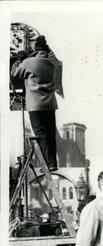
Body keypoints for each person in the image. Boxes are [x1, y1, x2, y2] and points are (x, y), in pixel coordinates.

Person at [11, 35, 59, 171]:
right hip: (50, 105)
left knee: (40, 134)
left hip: (35, 105)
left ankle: (47, 165)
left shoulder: (29, 62)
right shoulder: (52, 63)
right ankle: (52, 163)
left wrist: (19, 60)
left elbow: (14, 73)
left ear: (35, 49)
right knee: (50, 135)